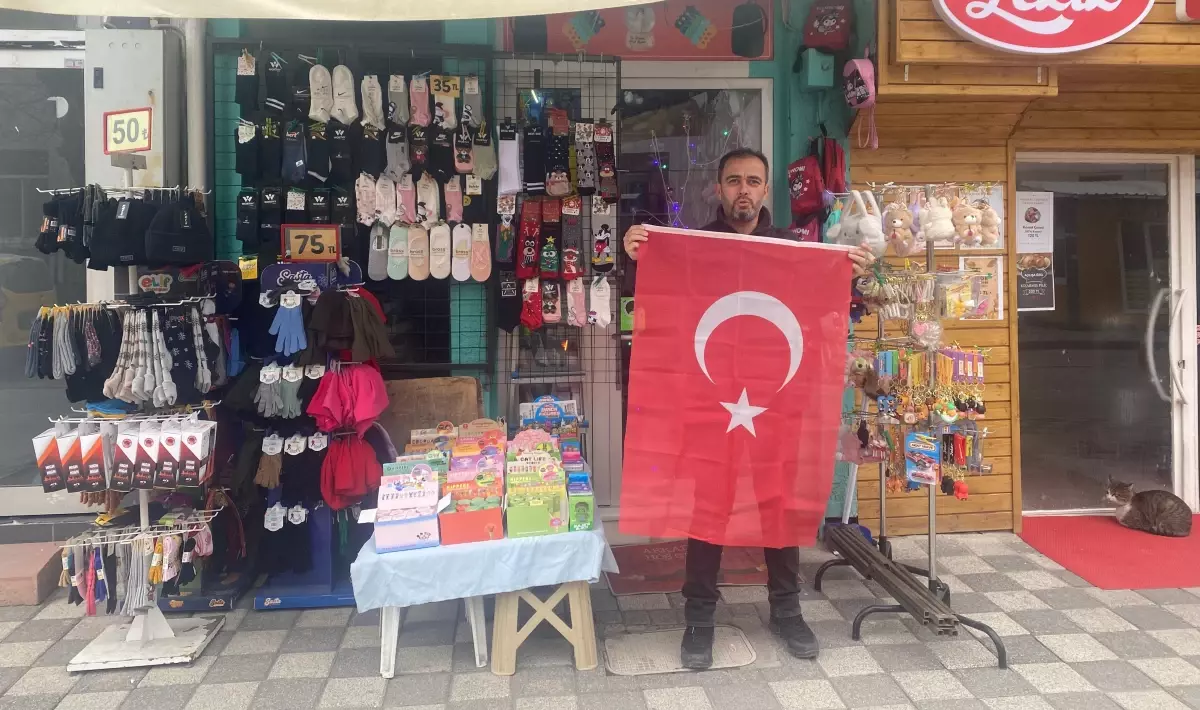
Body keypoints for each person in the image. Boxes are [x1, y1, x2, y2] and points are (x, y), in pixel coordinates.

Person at [622, 147, 875, 669]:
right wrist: (635, 257)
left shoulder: (792, 249)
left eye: (753, 181)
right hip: (710, 404)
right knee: (708, 509)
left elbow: (822, 311)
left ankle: (787, 610)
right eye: (734, 180)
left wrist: (850, 274)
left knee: (777, 504)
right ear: (719, 188)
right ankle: (699, 618)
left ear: (765, 189)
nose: (743, 190)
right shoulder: (694, 247)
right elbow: (658, 302)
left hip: (776, 404)